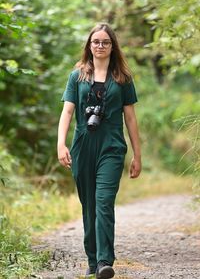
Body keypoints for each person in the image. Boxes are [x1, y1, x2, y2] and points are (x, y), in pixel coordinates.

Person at [57, 23, 141, 279]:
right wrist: (61, 143)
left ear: (113, 46)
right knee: (89, 205)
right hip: (83, 144)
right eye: (96, 42)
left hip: (112, 146)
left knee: (104, 202)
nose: (100, 46)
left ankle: (105, 260)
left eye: (105, 42)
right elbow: (68, 111)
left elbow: (131, 118)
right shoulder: (77, 76)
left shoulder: (123, 78)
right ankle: (92, 261)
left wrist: (138, 154)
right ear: (89, 45)